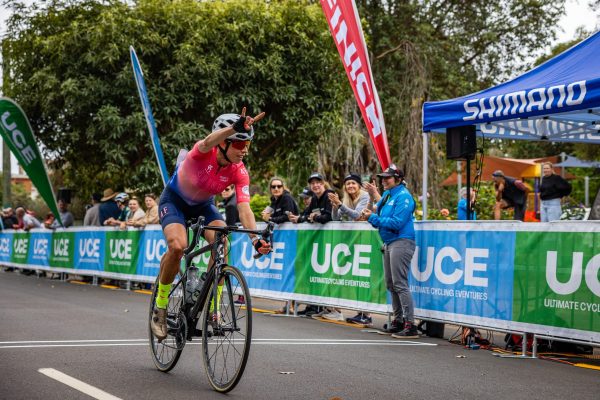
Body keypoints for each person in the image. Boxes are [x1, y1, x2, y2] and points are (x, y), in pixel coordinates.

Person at [151, 108, 271, 341]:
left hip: (203, 206)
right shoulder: (201, 152)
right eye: (238, 143)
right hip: (174, 202)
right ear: (223, 143)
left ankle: (213, 309)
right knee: (178, 247)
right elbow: (207, 141)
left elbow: (244, 207)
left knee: (222, 243)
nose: (244, 149)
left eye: (248, 144)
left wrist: (256, 240)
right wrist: (233, 128)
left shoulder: (239, 171)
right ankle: (161, 308)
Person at [360, 164, 419, 338]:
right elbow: (380, 217)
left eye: (388, 178)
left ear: (398, 179)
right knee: (391, 284)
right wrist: (371, 216)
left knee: (400, 284)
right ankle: (398, 320)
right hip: (389, 242)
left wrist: (372, 217)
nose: (384, 180)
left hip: (401, 241)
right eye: (383, 177)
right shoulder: (387, 195)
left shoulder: (404, 197)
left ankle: (410, 324)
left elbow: (396, 223)